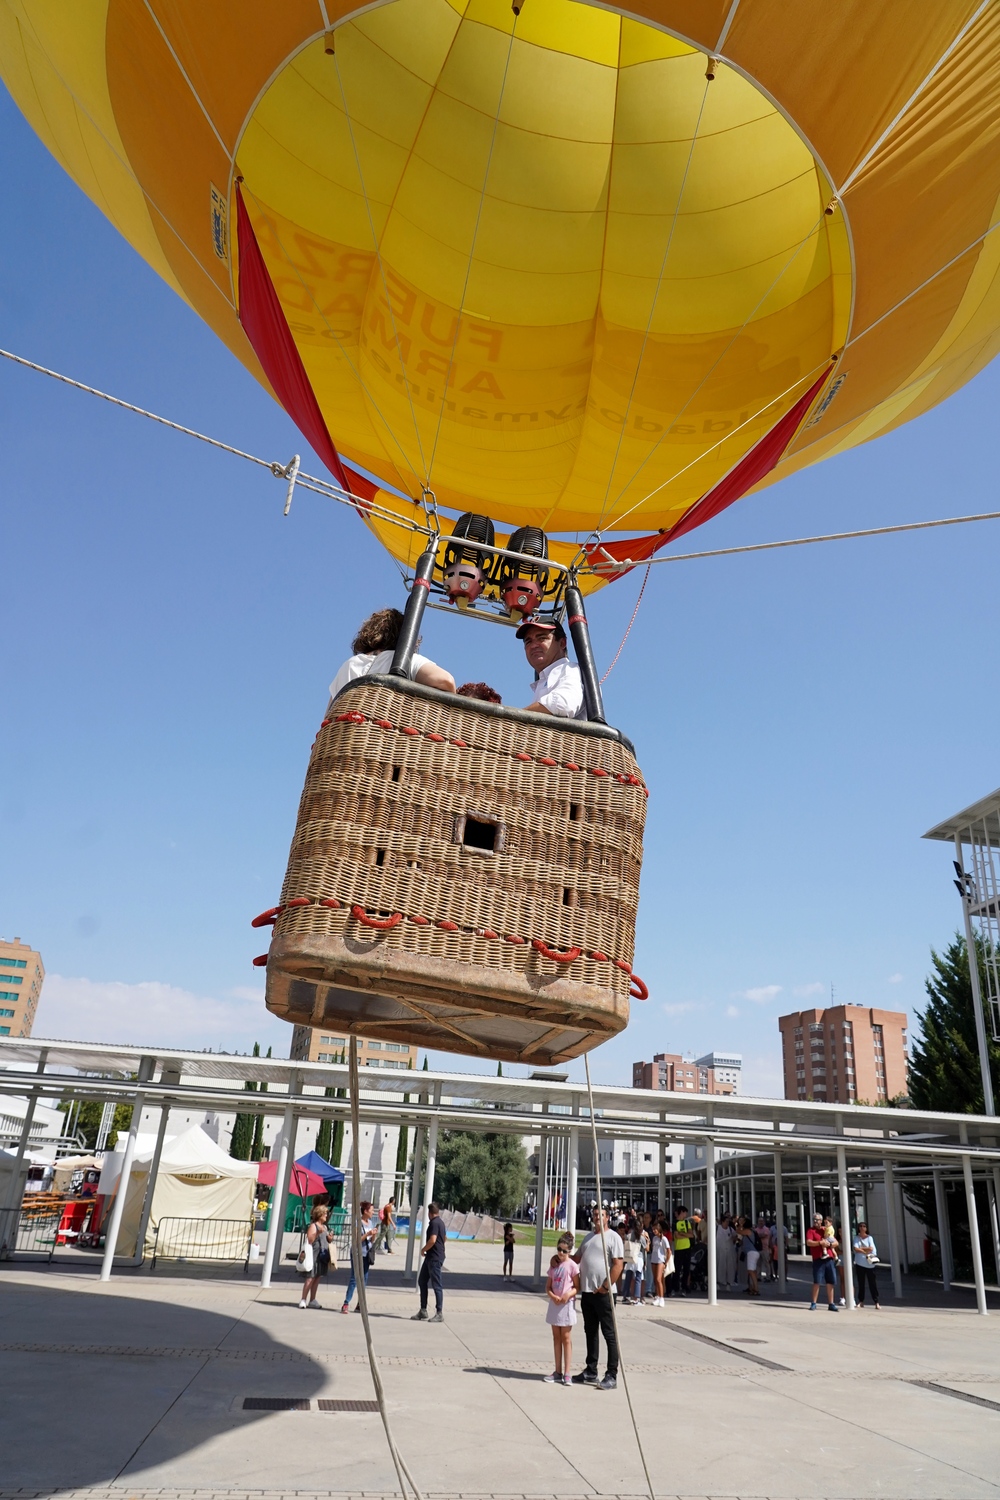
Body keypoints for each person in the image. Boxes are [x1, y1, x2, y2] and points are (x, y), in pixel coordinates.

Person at [328, 608, 455, 705]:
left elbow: (328, 716)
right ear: (407, 636)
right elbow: (445, 681)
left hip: (346, 737)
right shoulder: (404, 659)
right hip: (387, 736)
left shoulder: (349, 665)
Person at [571, 1207, 624, 1390]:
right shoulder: (588, 1238)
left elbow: (618, 1265)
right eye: (594, 1215)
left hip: (604, 1293)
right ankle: (591, 1370)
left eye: (600, 1215)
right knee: (590, 1331)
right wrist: (560, 1257)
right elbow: (575, 1259)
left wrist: (605, 1287)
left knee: (609, 1333)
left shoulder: (613, 1237)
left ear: (607, 1217)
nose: (597, 1217)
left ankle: (611, 1374)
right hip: (587, 1292)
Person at [517, 621, 585, 719]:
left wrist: (515, 716)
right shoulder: (544, 680)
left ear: (562, 643)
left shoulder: (571, 669)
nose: (533, 645)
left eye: (541, 638)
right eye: (528, 641)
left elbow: (562, 704)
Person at [544, 1234, 580, 1385]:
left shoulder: (572, 1266)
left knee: (566, 1338)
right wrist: (552, 1296)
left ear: (570, 1251)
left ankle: (567, 1372)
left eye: (564, 1251)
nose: (561, 1253)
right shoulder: (554, 1265)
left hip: (566, 1305)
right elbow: (548, 1286)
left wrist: (567, 1295)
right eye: (559, 1249)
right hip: (555, 1304)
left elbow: (577, 1287)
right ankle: (557, 1370)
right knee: (556, 1337)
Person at [412, 1201, 446, 1323]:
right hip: (431, 1257)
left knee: (437, 1285)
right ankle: (423, 1310)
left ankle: (439, 1312)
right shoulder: (441, 1223)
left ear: (430, 1213)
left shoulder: (434, 1224)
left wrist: (423, 1249)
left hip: (434, 1258)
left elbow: (432, 1240)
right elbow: (444, 1238)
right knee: (422, 1280)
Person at [342, 1200, 377, 1312]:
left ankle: (360, 1303)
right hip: (358, 1253)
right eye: (371, 1210)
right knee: (354, 1278)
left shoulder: (370, 1223)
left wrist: (373, 1235)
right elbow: (356, 1240)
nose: (373, 1212)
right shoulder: (358, 1223)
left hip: (367, 1253)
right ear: (365, 1211)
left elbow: (371, 1240)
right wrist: (367, 1234)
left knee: (364, 1279)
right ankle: (346, 1303)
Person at [299, 1204, 333, 1310]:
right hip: (313, 1254)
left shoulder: (325, 1227)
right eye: (325, 1214)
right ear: (320, 1214)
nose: (326, 1216)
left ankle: (312, 1299)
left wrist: (330, 1238)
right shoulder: (313, 1226)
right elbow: (310, 1240)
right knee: (310, 1278)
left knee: (317, 1277)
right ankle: (303, 1299)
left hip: (322, 1256)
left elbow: (326, 1240)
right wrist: (318, 1232)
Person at [806, 1211, 840, 1311]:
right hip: (818, 1259)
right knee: (817, 1281)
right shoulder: (810, 1231)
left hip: (829, 1259)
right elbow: (809, 1242)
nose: (816, 1221)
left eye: (818, 1220)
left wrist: (828, 1245)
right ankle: (813, 1303)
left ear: (822, 1221)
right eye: (814, 1220)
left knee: (830, 1281)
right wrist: (820, 1243)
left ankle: (831, 1303)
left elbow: (836, 1242)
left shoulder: (826, 1229)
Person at [853, 1222, 880, 1309]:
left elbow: (872, 1249)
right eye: (860, 1226)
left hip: (870, 1264)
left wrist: (862, 1249)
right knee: (861, 1283)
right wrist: (865, 1250)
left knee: (872, 1283)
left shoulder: (870, 1238)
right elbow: (856, 1249)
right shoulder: (856, 1238)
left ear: (866, 1228)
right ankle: (861, 1301)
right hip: (860, 1263)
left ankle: (876, 1302)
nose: (862, 1228)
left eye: (864, 1226)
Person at [673, 1206, 695, 1297]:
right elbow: (676, 1236)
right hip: (678, 1248)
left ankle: (684, 1287)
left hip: (687, 1248)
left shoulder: (687, 1222)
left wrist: (682, 1233)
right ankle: (675, 1287)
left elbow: (691, 1235)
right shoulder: (675, 1223)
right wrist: (685, 1235)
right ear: (681, 1212)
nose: (686, 1215)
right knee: (677, 1270)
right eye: (685, 1212)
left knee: (686, 1269)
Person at [716, 1214, 737, 1292]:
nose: (727, 1223)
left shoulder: (731, 1229)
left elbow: (735, 1238)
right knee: (719, 1267)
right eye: (726, 1221)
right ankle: (717, 1282)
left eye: (728, 1221)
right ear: (722, 1222)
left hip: (729, 1251)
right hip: (719, 1251)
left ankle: (728, 1283)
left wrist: (734, 1238)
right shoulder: (717, 1229)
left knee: (729, 1267)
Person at [648, 1221, 668, 1306]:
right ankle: (658, 1296)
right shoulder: (654, 1238)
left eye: (655, 1229)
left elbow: (668, 1251)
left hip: (661, 1260)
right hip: (654, 1260)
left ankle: (662, 1298)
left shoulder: (664, 1239)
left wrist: (666, 1262)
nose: (654, 1231)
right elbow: (652, 1249)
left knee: (659, 1279)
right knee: (655, 1279)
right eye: (653, 1229)